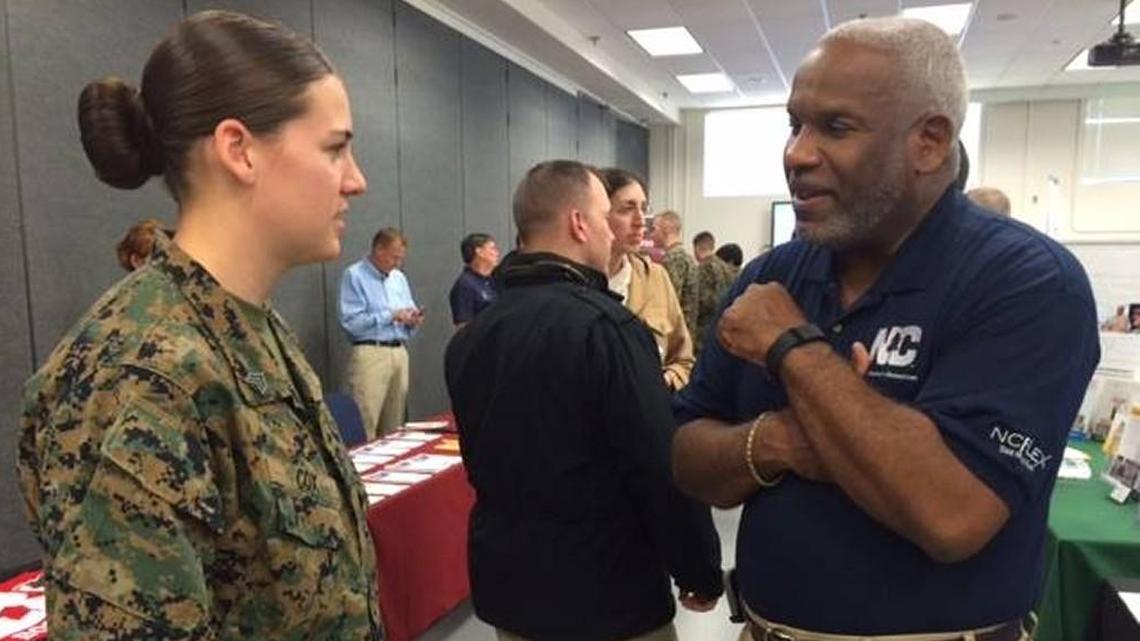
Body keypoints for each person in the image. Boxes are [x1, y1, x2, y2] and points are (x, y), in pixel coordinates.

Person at [672, 17, 1098, 641]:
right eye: (795, 124)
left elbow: (951, 515)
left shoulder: (1027, 282)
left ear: (929, 142)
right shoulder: (772, 278)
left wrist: (793, 348)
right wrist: (782, 441)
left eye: (836, 128)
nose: (797, 153)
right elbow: (686, 458)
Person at [17, 10, 381, 639]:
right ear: (239, 149)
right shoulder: (140, 372)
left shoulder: (252, 331)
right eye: (334, 147)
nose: (356, 180)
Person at [445, 160, 722, 641]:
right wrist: (698, 566)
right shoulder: (608, 330)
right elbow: (659, 464)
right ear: (579, 223)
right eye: (604, 216)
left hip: (511, 594)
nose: (613, 235)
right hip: (607, 595)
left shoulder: (471, 340)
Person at [601, 168, 694, 391]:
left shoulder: (656, 278)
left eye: (644, 209)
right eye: (627, 209)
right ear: (598, 215)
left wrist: (666, 380)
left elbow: (683, 360)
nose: (640, 221)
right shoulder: (574, 282)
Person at [339, 227, 422, 438]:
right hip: (371, 352)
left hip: (399, 351)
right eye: (394, 257)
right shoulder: (355, 275)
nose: (397, 263)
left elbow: (407, 308)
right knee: (365, 419)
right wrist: (390, 316)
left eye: (401, 258)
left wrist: (413, 319)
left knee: (394, 425)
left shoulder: (398, 278)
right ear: (378, 249)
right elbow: (351, 322)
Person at [652, 210, 699, 337]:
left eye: (654, 229)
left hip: (676, 334)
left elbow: (669, 302)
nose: (652, 235)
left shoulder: (673, 259)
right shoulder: (686, 257)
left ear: (666, 229)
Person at [449, 232, 500, 327]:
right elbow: (463, 328)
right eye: (493, 248)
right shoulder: (465, 285)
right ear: (479, 251)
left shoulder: (493, 281)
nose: (497, 253)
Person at [694, 247, 738, 353]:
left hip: (703, 332)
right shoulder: (731, 272)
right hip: (724, 332)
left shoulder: (706, 267)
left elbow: (703, 301)